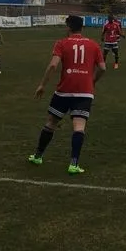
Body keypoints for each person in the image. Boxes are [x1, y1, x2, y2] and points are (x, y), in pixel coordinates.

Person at [29, 14, 106, 172]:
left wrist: (42, 85)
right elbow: (103, 68)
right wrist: (92, 81)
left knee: (51, 123)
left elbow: (53, 66)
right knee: (79, 127)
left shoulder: (62, 43)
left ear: (68, 27)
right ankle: (74, 164)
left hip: (64, 90)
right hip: (85, 92)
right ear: (82, 28)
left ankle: (37, 156)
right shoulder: (93, 45)